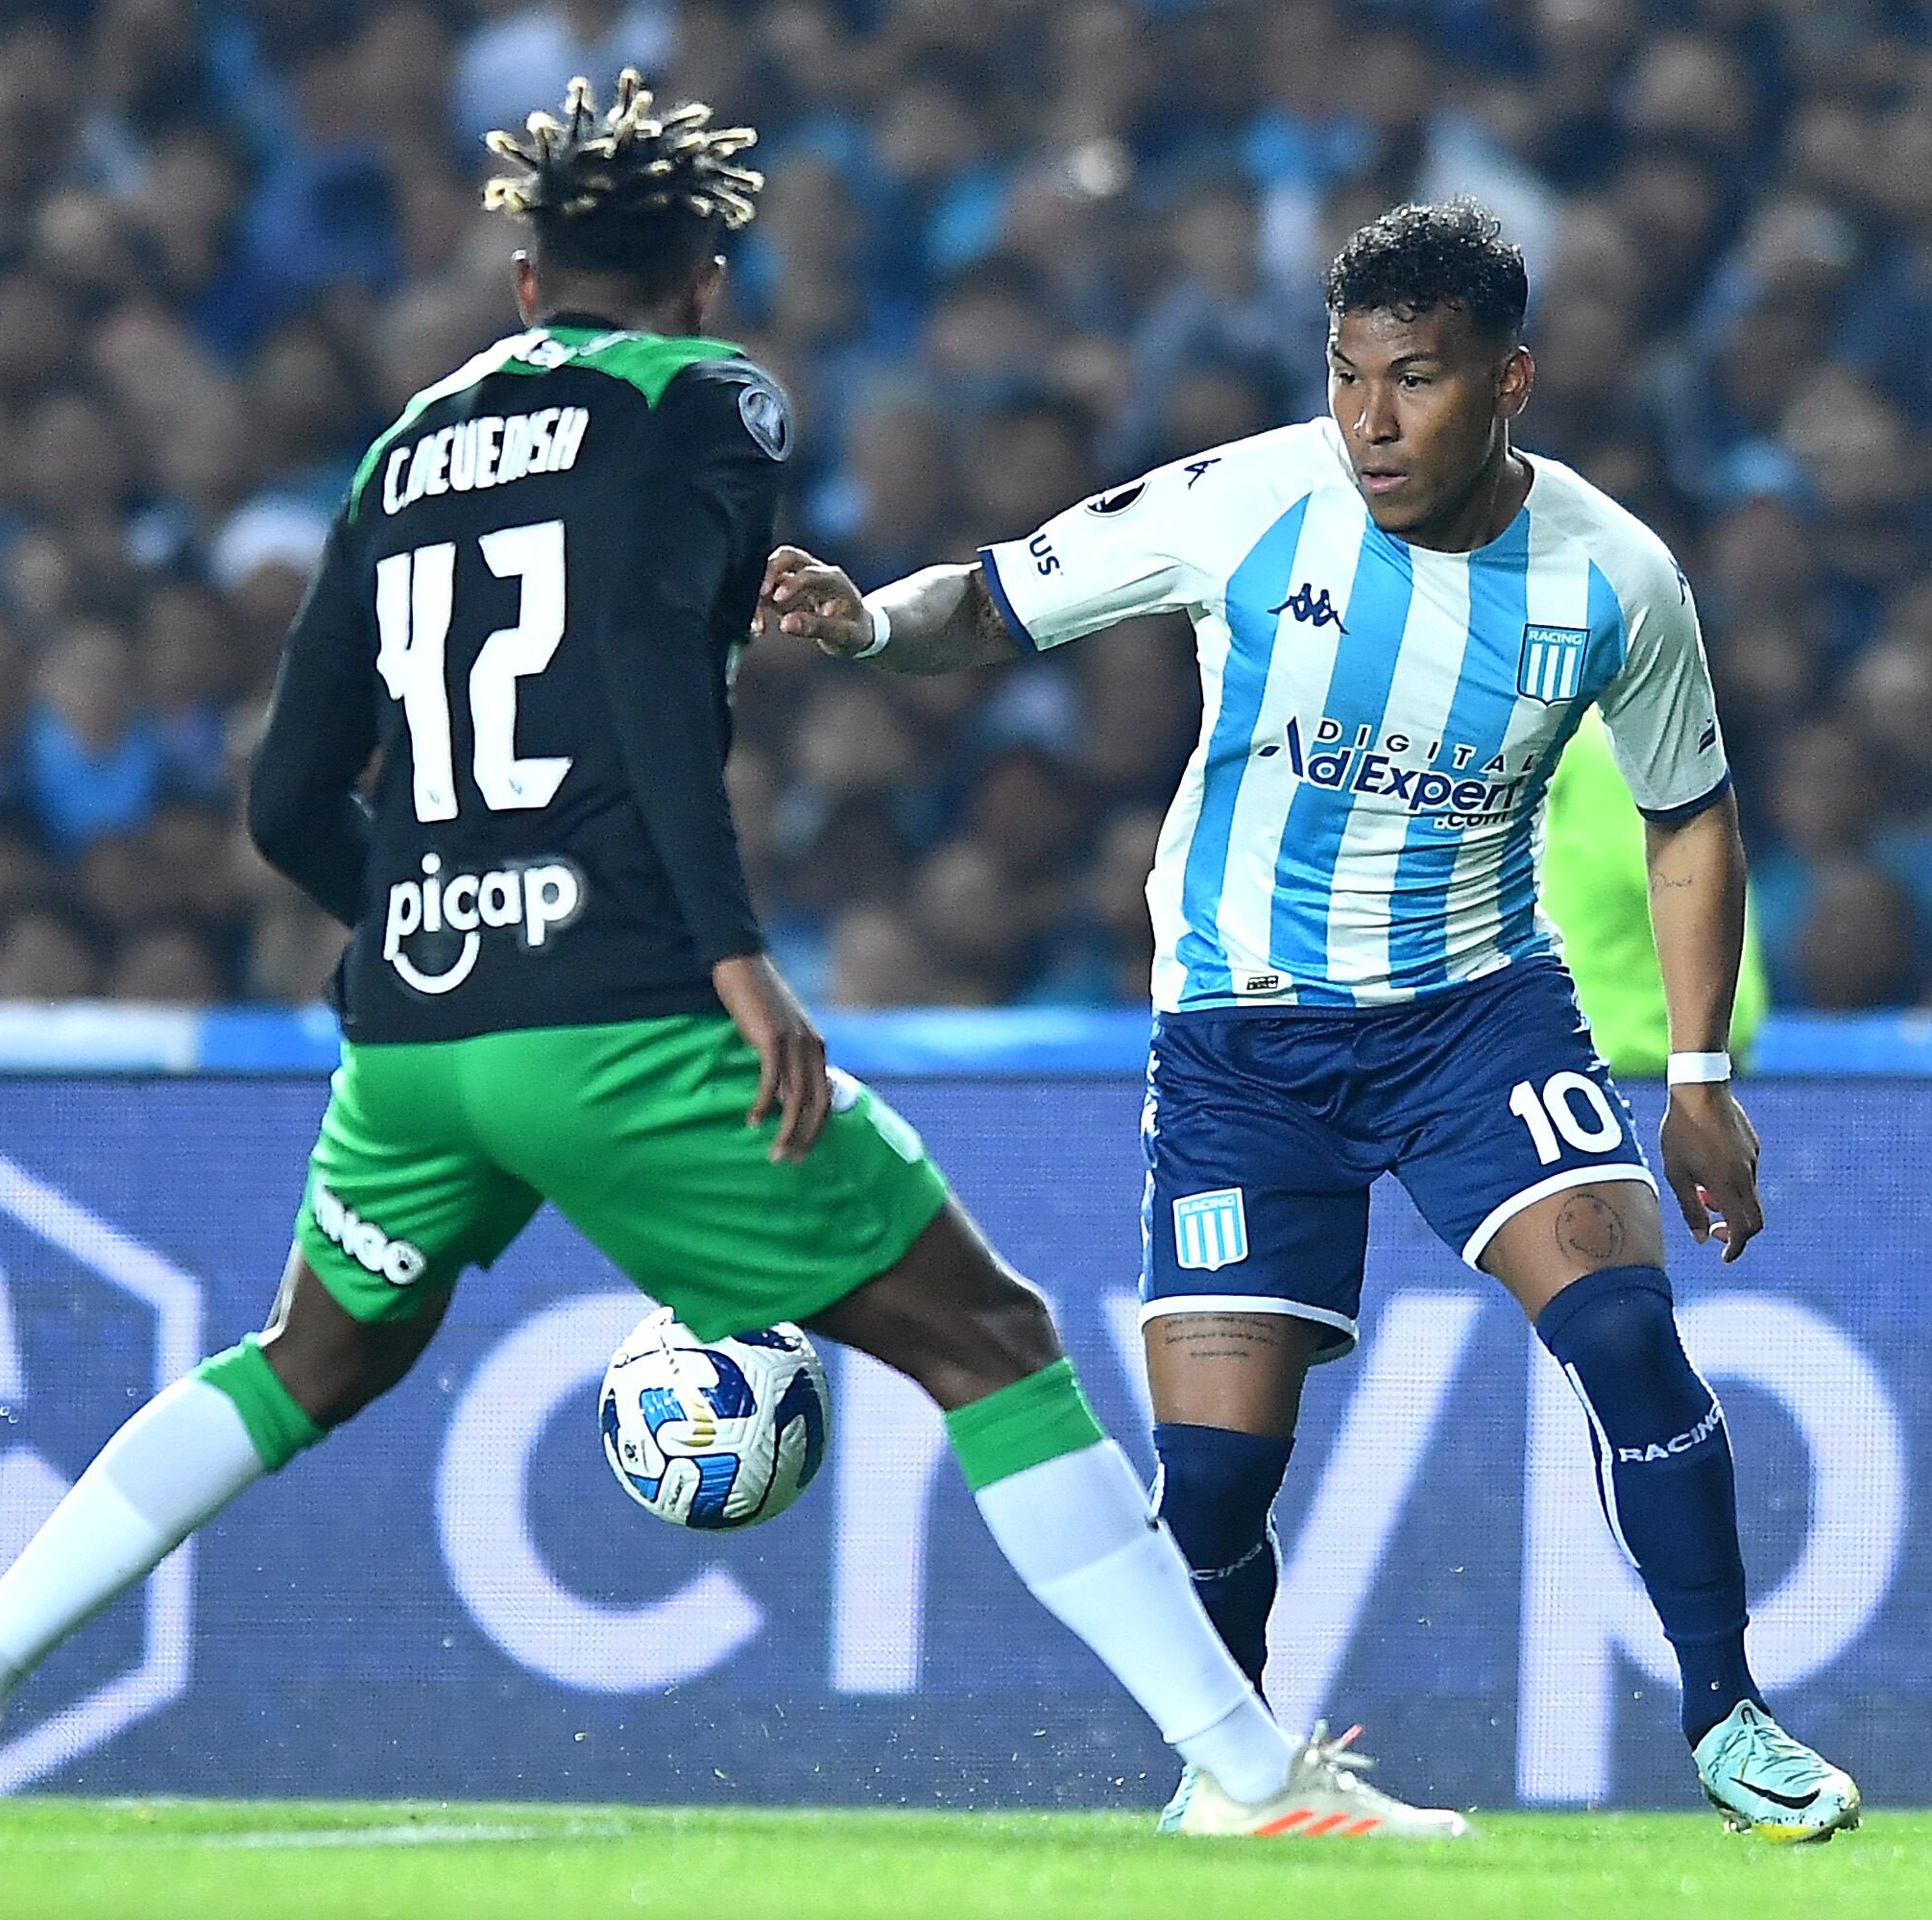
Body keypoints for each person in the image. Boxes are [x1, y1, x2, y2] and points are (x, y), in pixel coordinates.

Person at [0, 72, 1462, 1843]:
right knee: (986, 1338)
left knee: (313, 1356)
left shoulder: (402, 446)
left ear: (527, 285)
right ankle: (1243, 1776)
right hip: (618, 1000)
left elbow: (290, 791)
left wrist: (414, 932)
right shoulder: (708, 401)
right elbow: (637, 675)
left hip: (420, 1027)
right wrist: (729, 951)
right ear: (704, 282)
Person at [760, 200, 1860, 1842]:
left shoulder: (1617, 579)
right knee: (1212, 1475)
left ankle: (1732, 1719)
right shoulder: (1253, 498)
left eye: (1415, 380)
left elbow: (1687, 813)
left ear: (1512, 383)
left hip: (1477, 1015)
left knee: (1624, 1328)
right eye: (1348, 376)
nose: (1369, 420)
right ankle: (1234, 1775)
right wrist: (869, 623)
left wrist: (1697, 1079)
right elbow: (997, 598)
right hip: (1239, 1038)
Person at [1541, 710, 1770, 1076]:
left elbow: (1690, 881)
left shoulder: (1603, 749)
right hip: (1578, 1071)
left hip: (1644, 1077)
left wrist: (1699, 1069)